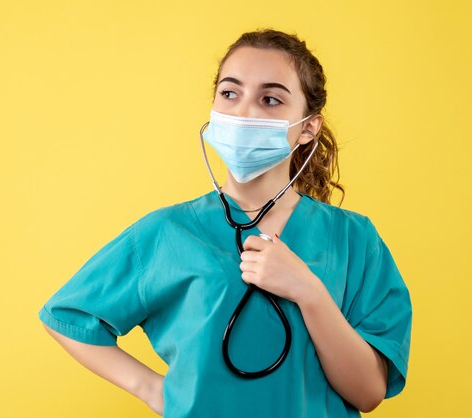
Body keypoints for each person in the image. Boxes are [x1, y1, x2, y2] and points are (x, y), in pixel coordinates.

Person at [38, 28, 412, 417]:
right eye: (230, 94)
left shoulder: (353, 239)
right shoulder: (168, 232)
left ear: (308, 128)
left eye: (270, 99)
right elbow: (68, 316)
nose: (244, 112)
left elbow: (368, 393)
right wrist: (154, 390)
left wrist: (309, 292)